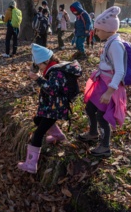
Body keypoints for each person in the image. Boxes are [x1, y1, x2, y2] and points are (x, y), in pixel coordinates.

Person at [17, 43, 82, 173]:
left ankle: (31, 164)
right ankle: (58, 135)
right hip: (51, 106)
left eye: (40, 65)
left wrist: (38, 79)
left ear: (46, 61)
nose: (40, 68)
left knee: (38, 133)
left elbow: (53, 89)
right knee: (37, 120)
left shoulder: (56, 72)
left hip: (55, 108)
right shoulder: (54, 69)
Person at [79, 6, 127, 158]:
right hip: (102, 83)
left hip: (109, 87)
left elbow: (120, 71)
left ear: (107, 29)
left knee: (102, 115)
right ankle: (93, 133)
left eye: (98, 30)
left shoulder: (116, 45)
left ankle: (105, 146)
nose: (96, 33)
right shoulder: (110, 42)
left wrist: (109, 92)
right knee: (90, 107)